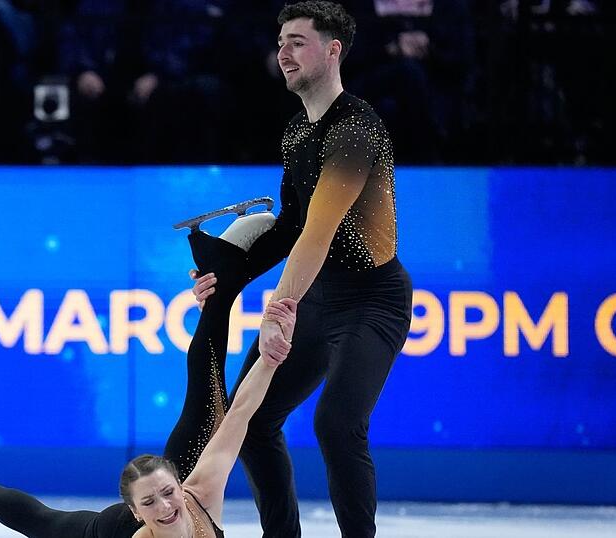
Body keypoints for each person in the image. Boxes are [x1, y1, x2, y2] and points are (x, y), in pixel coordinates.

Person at [0, 214, 299, 538]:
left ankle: (222, 278)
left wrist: (270, 359)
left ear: (181, 486)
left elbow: (241, 414)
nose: (166, 507)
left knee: (213, 418)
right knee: (43, 523)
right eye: (150, 503)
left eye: (169, 493)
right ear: (138, 513)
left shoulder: (199, 491)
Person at [191, 2, 412, 536]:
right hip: (317, 296)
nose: (283, 53)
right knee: (250, 417)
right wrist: (228, 275)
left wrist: (278, 307)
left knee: (337, 425)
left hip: (372, 300)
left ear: (333, 50)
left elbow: (321, 230)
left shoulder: (357, 130)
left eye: (297, 41)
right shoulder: (297, 132)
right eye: (281, 41)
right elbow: (291, 224)